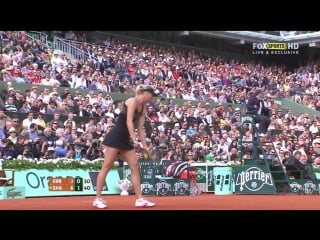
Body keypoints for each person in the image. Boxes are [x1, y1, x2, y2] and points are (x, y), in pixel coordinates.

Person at [93, 84, 157, 209]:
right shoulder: (131, 101)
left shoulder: (143, 108)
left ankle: (139, 199)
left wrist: (145, 146)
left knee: (134, 167)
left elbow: (140, 128)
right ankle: (97, 199)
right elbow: (128, 121)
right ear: (146, 93)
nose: (152, 98)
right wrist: (134, 138)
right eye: (152, 95)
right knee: (106, 167)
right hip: (116, 136)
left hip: (126, 140)